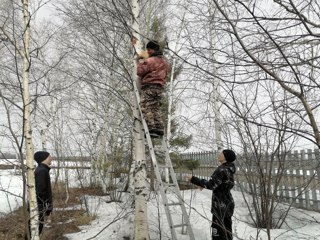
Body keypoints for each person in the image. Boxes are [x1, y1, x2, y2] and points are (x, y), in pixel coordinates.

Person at [187, 149, 236, 240]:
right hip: (228, 204)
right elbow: (220, 185)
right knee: (227, 233)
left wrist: (193, 179)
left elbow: (211, 185)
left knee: (218, 234)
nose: (219, 154)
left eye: (221, 153)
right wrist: (202, 185)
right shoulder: (230, 169)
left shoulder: (221, 169)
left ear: (225, 157)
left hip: (220, 206)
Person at [137, 40, 169, 138]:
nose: (148, 51)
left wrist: (141, 61)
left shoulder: (150, 61)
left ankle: (151, 128)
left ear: (153, 49)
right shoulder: (165, 62)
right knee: (155, 108)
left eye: (149, 49)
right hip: (159, 88)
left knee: (145, 106)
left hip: (149, 86)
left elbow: (139, 71)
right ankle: (159, 128)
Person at [34, 151, 53, 234]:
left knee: (36, 230)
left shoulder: (43, 170)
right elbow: (40, 191)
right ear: (44, 159)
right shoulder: (42, 171)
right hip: (38, 207)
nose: (51, 158)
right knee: (35, 231)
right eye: (49, 156)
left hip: (38, 206)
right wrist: (46, 207)